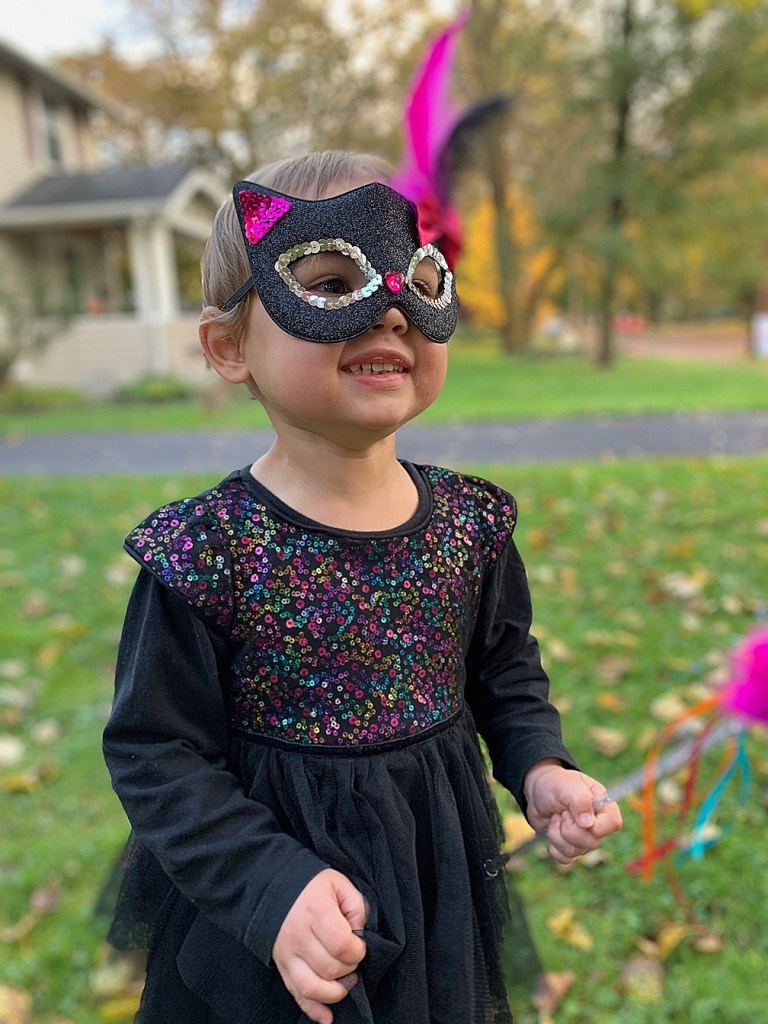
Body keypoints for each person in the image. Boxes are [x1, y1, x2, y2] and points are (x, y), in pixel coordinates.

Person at [103, 149, 622, 1024]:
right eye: (330, 284)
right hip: (273, 907)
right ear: (230, 347)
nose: (388, 308)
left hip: (433, 870)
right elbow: (157, 753)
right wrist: (268, 885)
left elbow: (503, 672)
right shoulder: (208, 551)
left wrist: (540, 765)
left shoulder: (469, 524)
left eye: (417, 279)